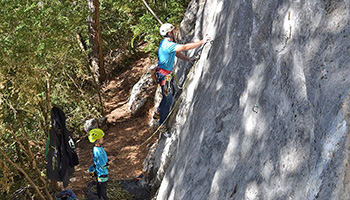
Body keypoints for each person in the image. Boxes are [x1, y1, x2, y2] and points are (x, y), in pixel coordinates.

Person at [155, 23, 211, 137]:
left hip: (163, 75)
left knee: (172, 93)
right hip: (164, 77)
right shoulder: (168, 45)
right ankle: (162, 124)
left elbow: (177, 53)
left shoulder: (166, 43)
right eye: (174, 31)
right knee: (169, 99)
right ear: (169, 33)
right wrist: (201, 42)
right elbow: (184, 47)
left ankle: (158, 111)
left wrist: (188, 59)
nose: (176, 32)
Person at [88, 128, 115, 200]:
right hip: (102, 174)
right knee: (103, 192)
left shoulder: (97, 147)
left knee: (100, 188)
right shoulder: (98, 151)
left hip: (100, 174)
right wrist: (109, 163)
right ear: (97, 140)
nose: (103, 138)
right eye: (101, 137)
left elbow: (100, 159)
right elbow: (100, 165)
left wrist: (108, 157)